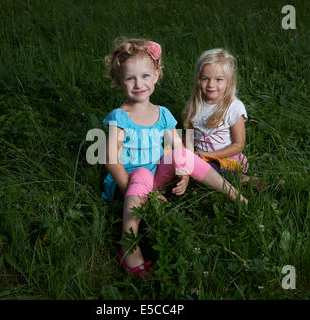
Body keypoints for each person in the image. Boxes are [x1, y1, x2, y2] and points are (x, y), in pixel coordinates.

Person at [102, 38, 247, 277]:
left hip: (156, 175)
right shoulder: (120, 116)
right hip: (128, 182)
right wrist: (132, 188)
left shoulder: (162, 113)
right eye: (130, 78)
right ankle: (128, 245)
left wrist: (183, 172)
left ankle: (235, 195)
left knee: (182, 154)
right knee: (140, 174)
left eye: (146, 76)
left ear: (157, 75)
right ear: (120, 81)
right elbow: (110, 159)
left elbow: (176, 146)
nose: (139, 84)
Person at [182, 48, 259, 185]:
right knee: (170, 144)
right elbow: (189, 135)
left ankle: (245, 180)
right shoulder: (195, 104)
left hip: (225, 159)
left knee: (205, 168)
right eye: (205, 79)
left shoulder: (233, 107)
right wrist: (188, 152)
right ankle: (174, 178)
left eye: (219, 79)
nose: (211, 85)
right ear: (198, 79)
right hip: (201, 156)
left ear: (229, 81)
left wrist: (209, 156)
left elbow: (238, 145)